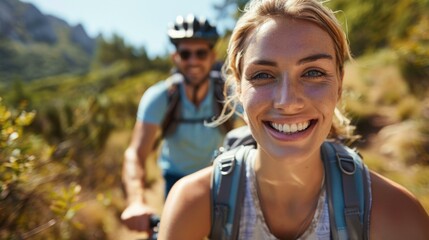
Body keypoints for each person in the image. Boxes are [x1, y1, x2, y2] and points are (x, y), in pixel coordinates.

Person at [158, 0, 429, 239]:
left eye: (312, 72)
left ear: (339, 84)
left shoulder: (399, 215)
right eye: (263, 75)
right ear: (238, 88)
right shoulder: (192, 201)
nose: (287, 102)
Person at [120, 14, 234, 232]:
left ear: (212, 56)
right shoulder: (160, 97)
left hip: (219, 181)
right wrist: (136, 200)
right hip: (176, 181)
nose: (193, 61)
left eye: (200, 53)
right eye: (185, 53)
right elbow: (135, 153)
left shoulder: (228, 94)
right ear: (175, 57)